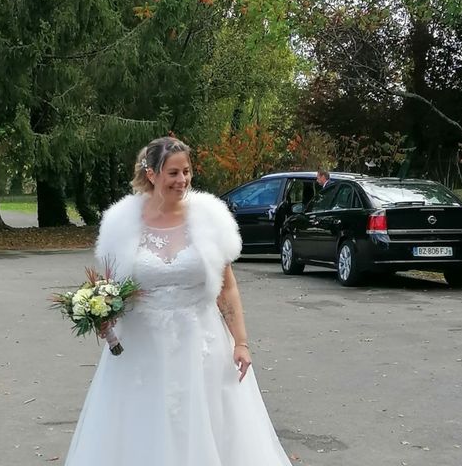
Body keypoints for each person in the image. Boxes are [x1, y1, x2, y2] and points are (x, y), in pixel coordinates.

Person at [63, 137, 293, 466]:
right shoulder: (121, 224)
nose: (182, 180)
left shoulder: (211, 218)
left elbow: (227, 287)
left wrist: (241, 341)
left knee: (207, 425)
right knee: (143, 425)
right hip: (142, 348)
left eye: (187, 172)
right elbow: (111, 288)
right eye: (173, 173)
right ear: (152, 173)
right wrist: (102, 314)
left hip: (202, 342)